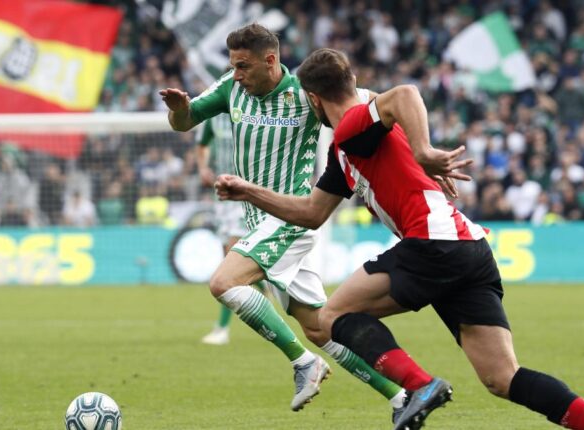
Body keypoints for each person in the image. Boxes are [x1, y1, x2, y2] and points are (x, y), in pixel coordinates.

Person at [215, 48, 584, 430]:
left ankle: (420, 386)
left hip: (434, 243)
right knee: (501, 378)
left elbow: (404, 94)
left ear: (312, 98)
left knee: (333, 317)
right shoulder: (346, 148)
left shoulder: (354, 124)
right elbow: (310, 213)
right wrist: (249, 190)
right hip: (468, 249)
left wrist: (422, 150)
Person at [159, 23, 461, 417]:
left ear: (271, 60)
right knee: (320, 327)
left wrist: (424, 155)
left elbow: (387, 107)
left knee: (224, 281)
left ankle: (303, 363)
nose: (236, 74)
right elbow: (184, 122)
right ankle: (402, 395)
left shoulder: (307, 94)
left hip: (290, 216)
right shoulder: (230, 88)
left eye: (243, 66)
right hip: (257, 221)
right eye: (233, 66)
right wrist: (180, 111)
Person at [194, 113, 264, 345]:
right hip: (222, 196)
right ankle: (265, 284)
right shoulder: (213, 117)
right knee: (234, 258)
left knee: (230, 260)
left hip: (246, 193)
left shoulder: (253, 111)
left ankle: (221, 329)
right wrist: (203, 167)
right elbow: (202, 144)